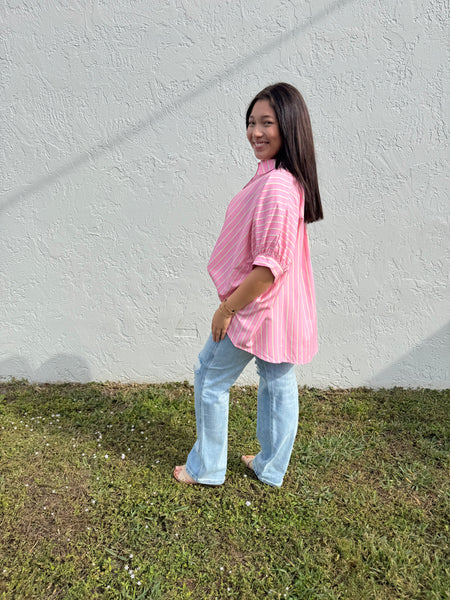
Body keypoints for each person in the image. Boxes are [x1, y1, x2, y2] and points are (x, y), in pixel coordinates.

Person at [174, 82, 323, 487]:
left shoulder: (277, 186)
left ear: (289, 126)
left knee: (210, 376)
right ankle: (270, 466)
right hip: (281, 308)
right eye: (251, 122)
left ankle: (207, 467)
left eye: (267, 123)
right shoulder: (284, 178)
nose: (255, 132)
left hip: (260, 307)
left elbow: (268, 268)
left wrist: (227, 309)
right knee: (276, 381)